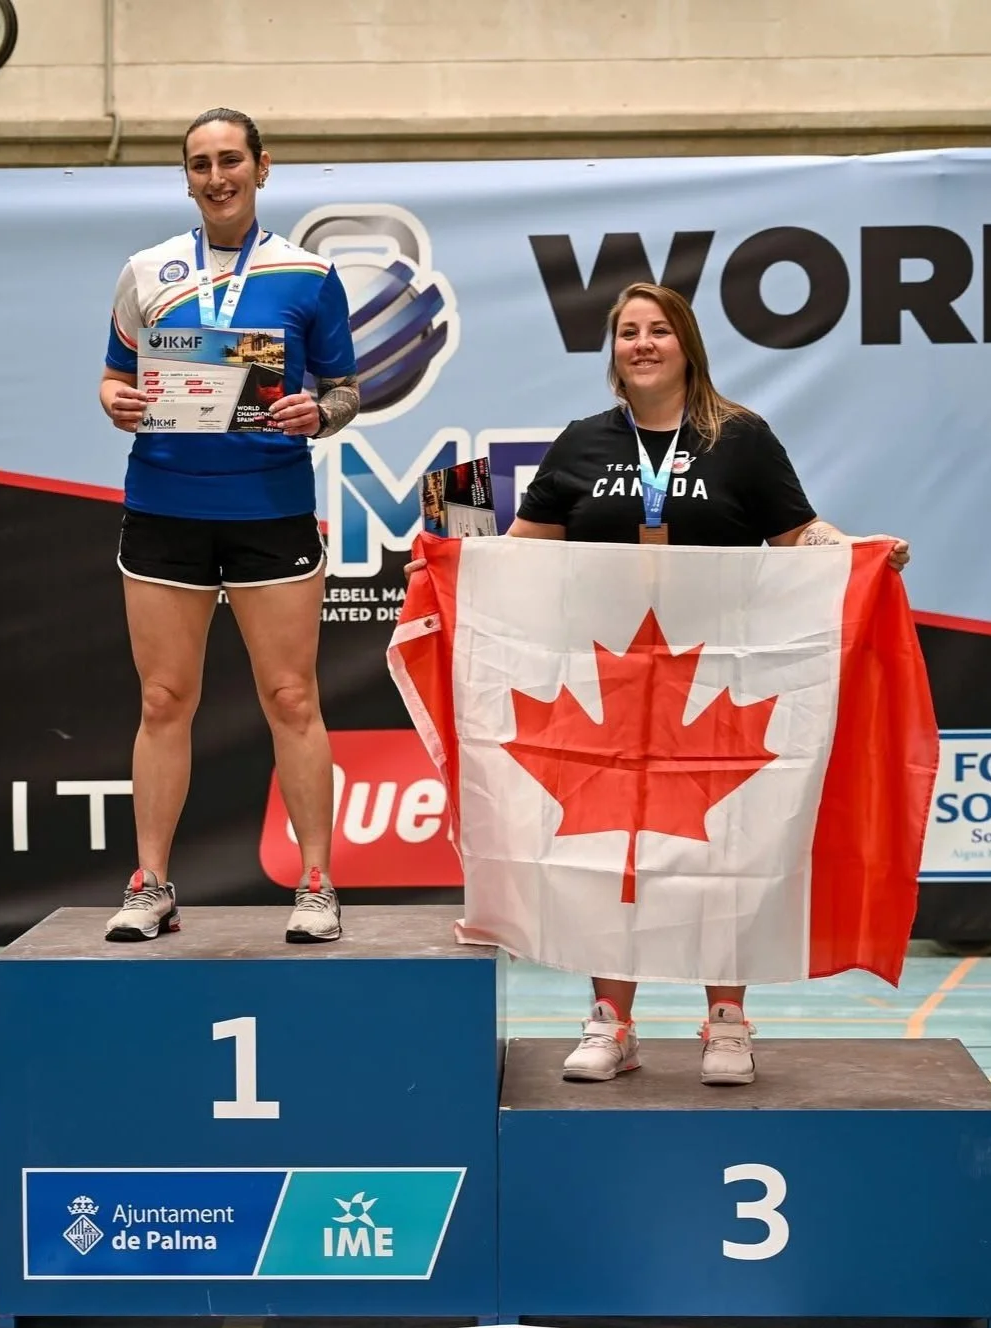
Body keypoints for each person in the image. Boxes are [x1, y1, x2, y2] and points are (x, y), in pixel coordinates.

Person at [410, 281, 910, 1085]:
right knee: (609, 851)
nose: (641, 344)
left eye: (658, 331)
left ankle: (726, 1021)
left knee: (726, 842)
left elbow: (797, 533)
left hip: (718, 684)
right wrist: (448, 559)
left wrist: (860, 549)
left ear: (686, 345)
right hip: (606, 687)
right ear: (613, 351)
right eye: (627, 332)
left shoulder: (741, 438)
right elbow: (520, 550)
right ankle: (612, 1019)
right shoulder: (582, 443)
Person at [98, 108, 360, 945]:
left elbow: (348, 390)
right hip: (165, 509)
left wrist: (316, 411)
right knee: (162, 699)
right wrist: (120, 402)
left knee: (292, 697)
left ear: (262, 166)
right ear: (186, 177)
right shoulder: (145, 269)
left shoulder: (309, 274)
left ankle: (316, 882)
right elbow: (111, 379)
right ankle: (150, 884)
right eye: (201, 164)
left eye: (231, 160)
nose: (218, 177)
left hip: (270, 511)